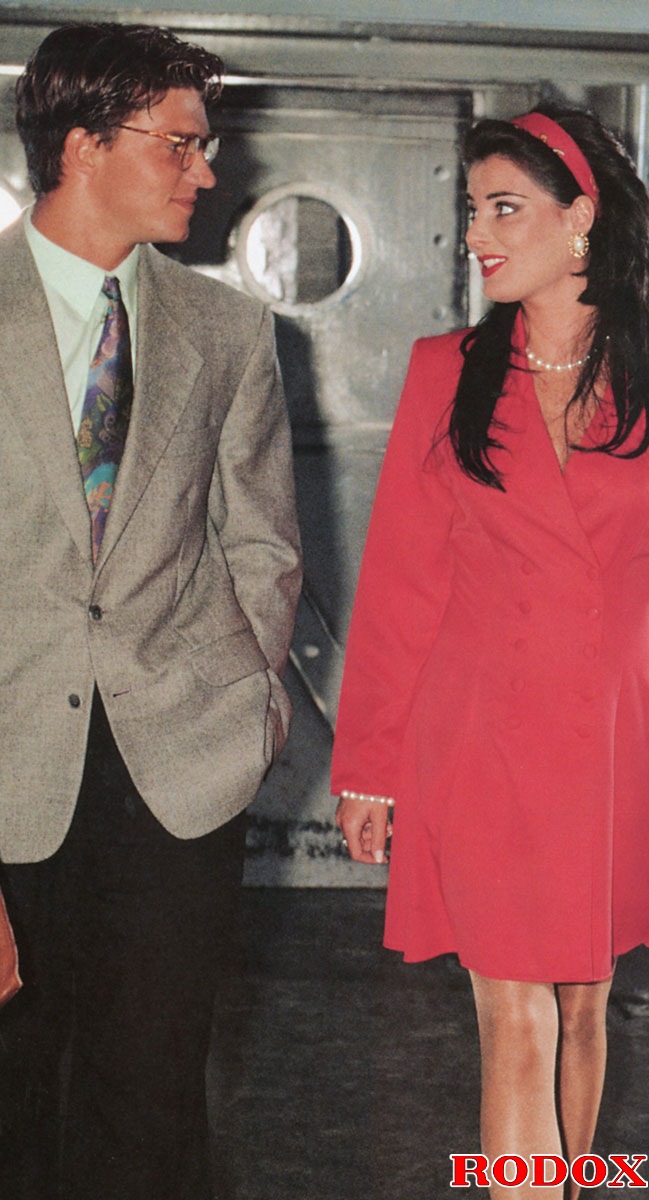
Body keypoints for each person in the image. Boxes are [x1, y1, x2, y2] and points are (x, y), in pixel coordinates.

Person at [0, 21, 301, 1200]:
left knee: (152, 1102)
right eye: (179, 144)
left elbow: (258, 539)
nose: (206, 170)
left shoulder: (229, 331)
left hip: (179, 763)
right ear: (85, 145)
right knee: (0, 1100)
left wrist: (247, 700)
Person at [332, 104, 649, 1199]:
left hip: (612, 745)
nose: (475, 234)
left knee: (581, 1003)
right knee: (511, 1008)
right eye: (470, 210)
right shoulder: (445, 370)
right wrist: (368, 767)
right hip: (480, 738)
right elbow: (400, 584)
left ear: (580, 218)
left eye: (502, 208)